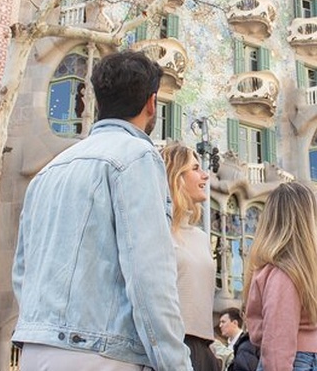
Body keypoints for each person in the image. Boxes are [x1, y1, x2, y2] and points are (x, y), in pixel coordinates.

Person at [12, 50, 192, 370]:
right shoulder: (137, 156)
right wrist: (175, 364)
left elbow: (23, 271)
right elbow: (149, 275)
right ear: (152, 103)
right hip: (101, 353)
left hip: (36, 348)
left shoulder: (48, 171)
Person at [243, 182, 317, 371]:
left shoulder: (282, 273)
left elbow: (276, 341)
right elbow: (277, 342)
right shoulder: (287, 274)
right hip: (298, 360)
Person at [162, 143, 220, 371]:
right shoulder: (159, 230)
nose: (205, 175)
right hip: (172, 346)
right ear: (176, 177)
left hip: (204, 350)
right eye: (196, 168)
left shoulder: (201, 237)